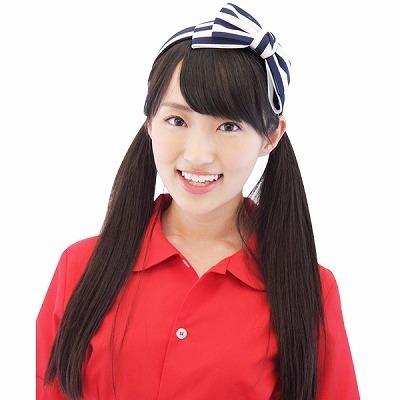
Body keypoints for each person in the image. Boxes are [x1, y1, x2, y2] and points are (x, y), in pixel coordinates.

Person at [36, 3, 360, 399]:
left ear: (271, 136)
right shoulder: (80, 267)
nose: (197, 155)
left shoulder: (308, 290)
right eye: (177, 120)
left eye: (229, 126)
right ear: (149, 121)